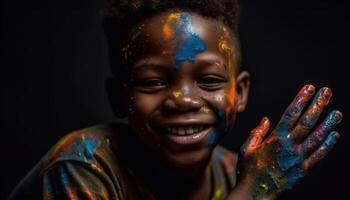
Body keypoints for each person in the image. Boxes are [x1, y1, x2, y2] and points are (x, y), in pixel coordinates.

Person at [9, 0, 343, 199]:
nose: (183, 99)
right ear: (119, 96)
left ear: (239, 93)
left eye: (209, 80)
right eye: (153, 82)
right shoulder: (81, 167)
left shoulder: (232, 172)